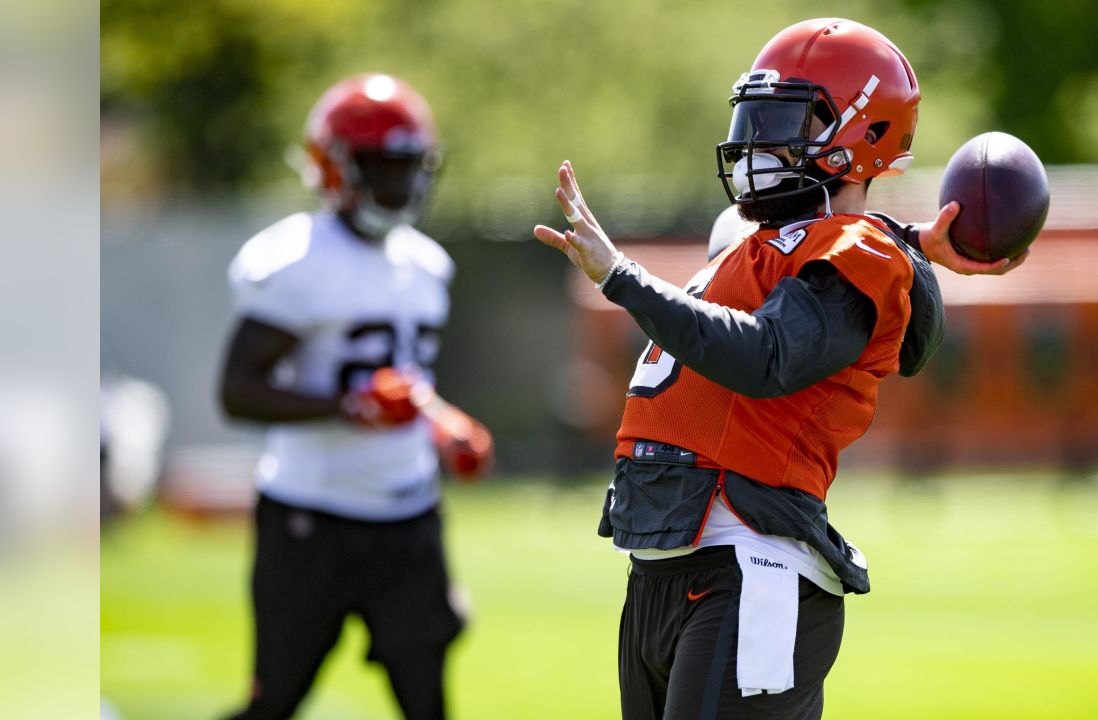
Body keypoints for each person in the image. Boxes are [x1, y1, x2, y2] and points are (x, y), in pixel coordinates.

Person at [533, 18, 1025, 720]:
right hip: (663, 564)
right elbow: (825, 240)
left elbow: (765, 354)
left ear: (864, 134)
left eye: (783, 122)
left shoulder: (860, 257)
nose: (757, 144)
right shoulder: (776, 239)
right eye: (753, 119)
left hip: (750, 564)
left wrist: (622, 278)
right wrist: (915, 237)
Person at [217, 73, 494, 720]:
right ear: (334, 168)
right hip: (310, 514)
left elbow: (407, 382)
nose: (400, 185)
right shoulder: (295, 260)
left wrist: (446, 424)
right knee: (277, 698)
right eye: (382, 167)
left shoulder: (427, 265)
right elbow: (237, 392)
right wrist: (346, 408)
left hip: (407, 514)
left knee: (426, 697)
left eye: (408, 167)